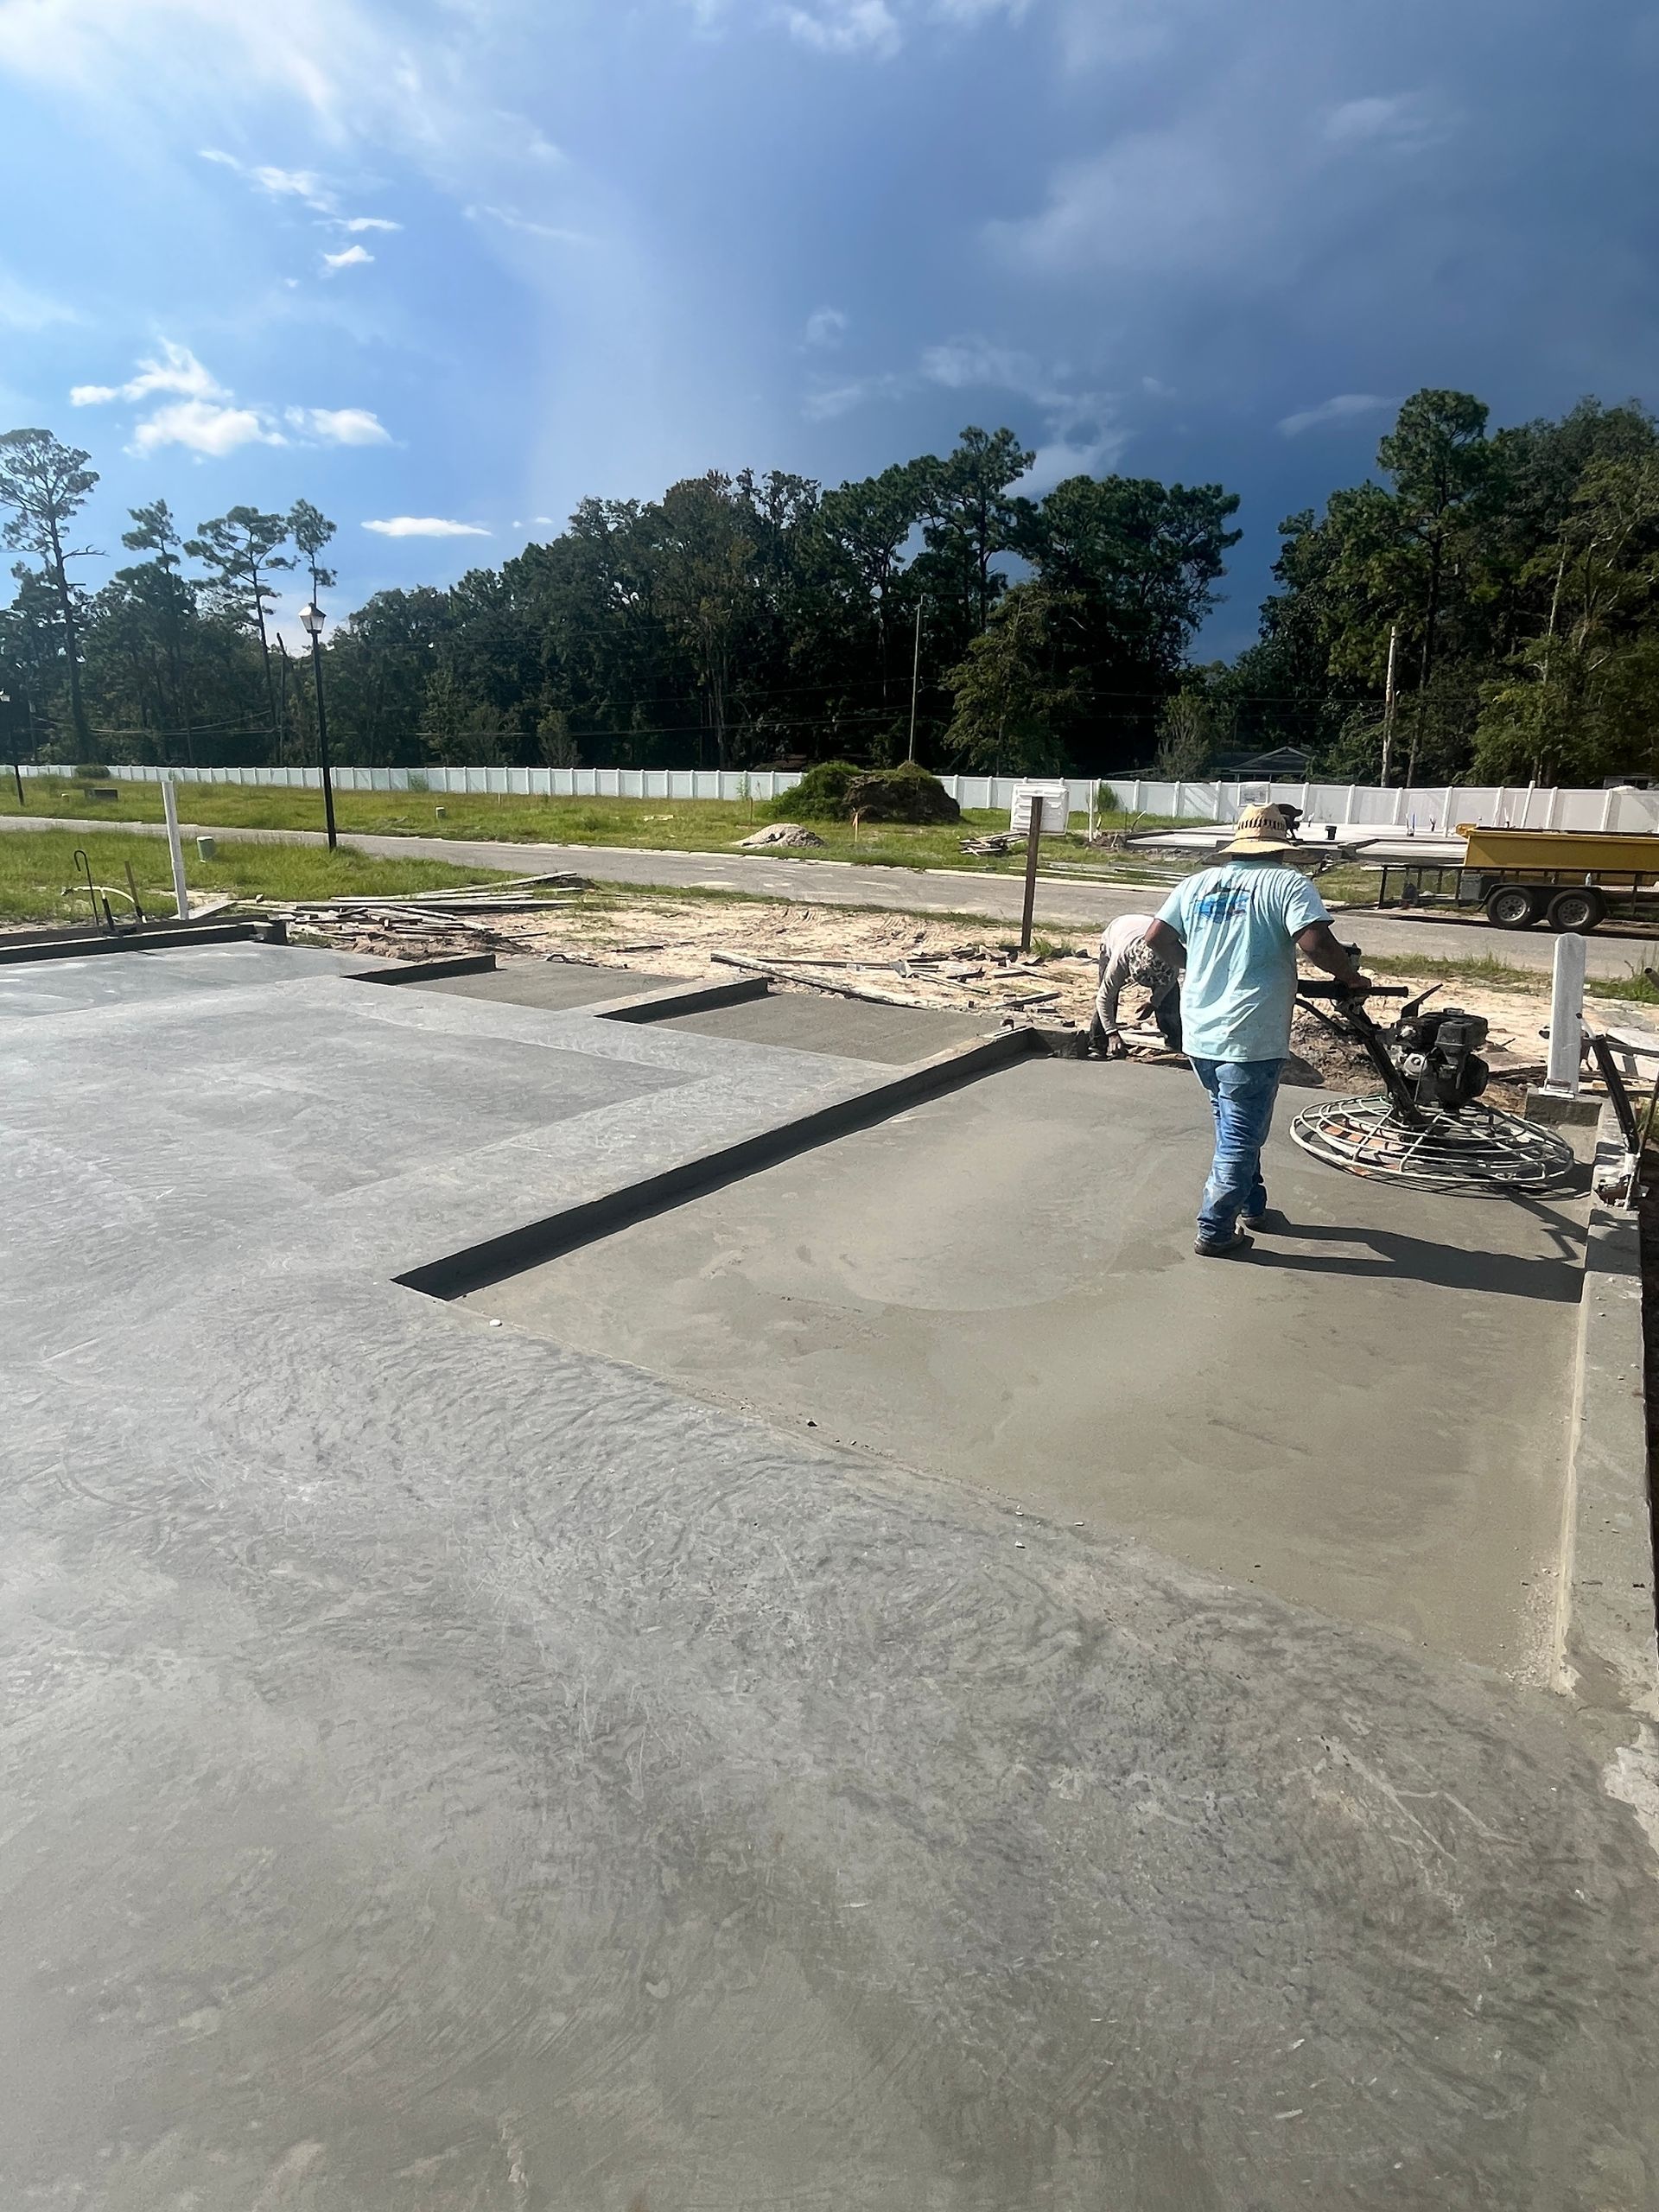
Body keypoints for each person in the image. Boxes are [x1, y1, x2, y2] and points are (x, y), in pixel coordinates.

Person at [1143, 804, 1370, 1259]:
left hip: (1201, 1030)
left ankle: (1252, 1204)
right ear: (1280, 845)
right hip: (1250, 1031)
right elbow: (1317, 943)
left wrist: (1199, 964)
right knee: (1240, 1136)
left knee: (1232, 1124)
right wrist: (1350, 977)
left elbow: (1155, 938)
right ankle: (1215, 1229)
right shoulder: (1288, 884)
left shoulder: (1197, 884)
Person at [1089, 912, 1182, 1057]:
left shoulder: (1172, 959)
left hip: (1147, 929)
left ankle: (1175, 1044)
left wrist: (1154, 1002)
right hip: (1117, 932)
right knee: (1111, 998)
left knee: (1169, 998)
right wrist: (1112, 1033)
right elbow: (1104, 998)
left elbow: (1168, 983)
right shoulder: (1120, 961)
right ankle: (1098, 1045)